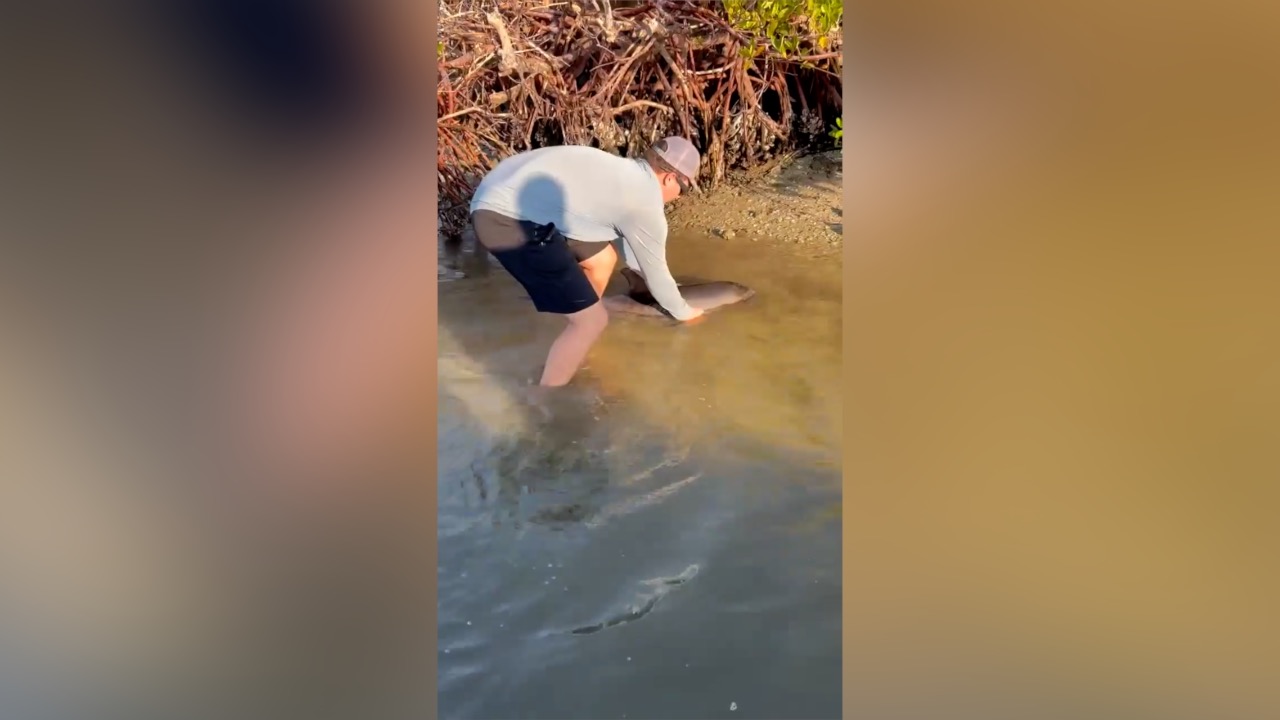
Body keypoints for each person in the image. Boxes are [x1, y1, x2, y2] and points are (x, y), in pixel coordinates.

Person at [468, 137, 704, 387]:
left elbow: (637, 261)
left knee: (603, 260)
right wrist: (688, 315)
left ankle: (571, 340)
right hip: (504, 218)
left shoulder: (623, 172)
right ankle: (545, 399)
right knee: (593, 322)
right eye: (684, 189)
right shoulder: (645, 203)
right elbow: (657, 275)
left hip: (494, 192)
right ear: (669, 178)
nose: (679, 198)